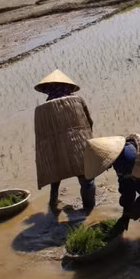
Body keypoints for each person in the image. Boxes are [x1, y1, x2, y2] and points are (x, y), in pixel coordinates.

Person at [34, 70, 96, 213]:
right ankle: (89, 210)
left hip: (55, 149)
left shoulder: (41, 109)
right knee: (87, 179)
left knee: (55, 179)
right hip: (79, 146)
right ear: (67, 86)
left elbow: (41, 137)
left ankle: (52, 206)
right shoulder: (77, 100)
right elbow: (89, 122)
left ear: (48, 89)